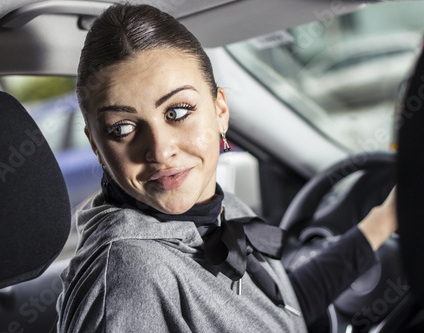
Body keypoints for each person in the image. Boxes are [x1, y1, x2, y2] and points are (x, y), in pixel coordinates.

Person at [56, 4, 397, 332]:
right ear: (96, 146)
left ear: (220, 111)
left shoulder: (219, 209)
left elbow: (279, 315)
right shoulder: (129, 274)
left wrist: (387, 218)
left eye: (177, 112)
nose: (160, 151)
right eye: (122, 129)